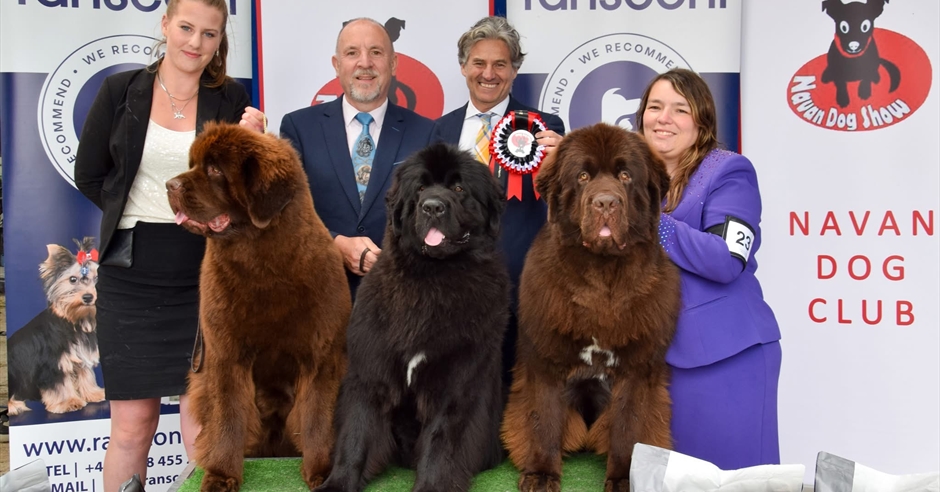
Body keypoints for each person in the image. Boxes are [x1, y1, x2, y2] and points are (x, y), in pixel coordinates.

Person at [74, 0, 264, 489]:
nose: (195, 43)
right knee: (132, 426)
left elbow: (248, 192)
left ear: (220, 41)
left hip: (207, 273)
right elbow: (90, 174)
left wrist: (253, 146)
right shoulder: (120, 91)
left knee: (203, 425)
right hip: (130, 275)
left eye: (209, 34)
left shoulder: (231, 99)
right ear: (165, 25)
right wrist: (137, 211)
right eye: (186, 27)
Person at [636, 68, 782, 469]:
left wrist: (649, 220)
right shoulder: (632, 177)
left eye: (679, 109)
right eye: (655, 107)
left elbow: (726, 259)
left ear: (701, 121)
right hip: (650, 360)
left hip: (725, 355)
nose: (664, 118)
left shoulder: (729, 171)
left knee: (732, 480)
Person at [430, 16, 566, 388]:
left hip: (520, 290)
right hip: (451, 293)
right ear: (463, 67)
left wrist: (563, 163)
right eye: (479, 63)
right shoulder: (438, 130)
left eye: (500, 64)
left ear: (514, 70)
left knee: (519, 393)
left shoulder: (545, 127)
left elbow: (564, 205)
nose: (488, 74)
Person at [280, 18, 434, 296]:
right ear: (337, 64)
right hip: (317, 297)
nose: (365, 63)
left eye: (376, 52)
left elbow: (432, 218)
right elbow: (286, 212)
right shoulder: (298, 127)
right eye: (352, 53)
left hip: (399, 299)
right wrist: (334, 244)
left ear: (393, 63)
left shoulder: (425, 133)